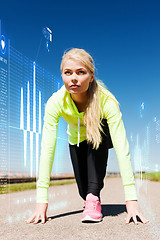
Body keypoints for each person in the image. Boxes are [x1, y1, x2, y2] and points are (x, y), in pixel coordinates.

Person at [25, 48, 148, 225]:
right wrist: (41, 204)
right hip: (76, 140)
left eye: (80, 72)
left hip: (100, 136)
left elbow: (122, 149)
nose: (73, 78)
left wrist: (131, 201)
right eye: (68, 72)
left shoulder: (107, 100)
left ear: (91, 76)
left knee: (92, 189)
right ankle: (90, 197)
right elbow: (47, 150)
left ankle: (92, 198)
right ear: (62, 76)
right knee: (84, 190)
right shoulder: (55, 102)